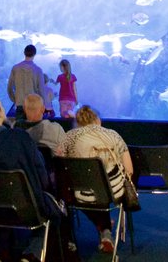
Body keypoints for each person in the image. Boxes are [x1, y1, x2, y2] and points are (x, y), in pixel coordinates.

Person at [0, 92, 67, 258]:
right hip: (27, 209)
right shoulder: (20, 138)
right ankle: (31, 254)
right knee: (55, 213)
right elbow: (41, 176)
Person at [56, 104, 133, 253]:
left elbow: (59, 166)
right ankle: (105, 230)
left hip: (77, 193)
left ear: (77, 122)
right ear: (98, 120)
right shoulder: (114, 135)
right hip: (111, 192)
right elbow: (129, 170)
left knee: (80, 190)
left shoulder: (68, 137)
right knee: (100, 188)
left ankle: (68, 239)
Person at [7, 45, 44, 120]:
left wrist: (15, 100)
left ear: (24, 53)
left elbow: (9, 88)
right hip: (34, 106)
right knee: (33, 131)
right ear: (34, 54)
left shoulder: (15, 68)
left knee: (20, 130)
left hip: (20, 104)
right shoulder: (38, 70)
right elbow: (41, 90)